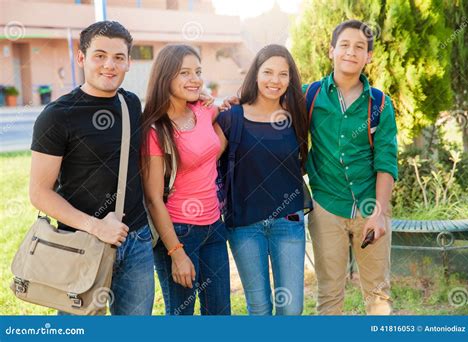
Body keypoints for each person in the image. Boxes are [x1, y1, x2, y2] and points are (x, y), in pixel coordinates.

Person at [29, 21, 154, 315]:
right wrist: (97, 227)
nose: (109, 65)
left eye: (118, 57)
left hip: (136, 242)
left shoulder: (130, 103)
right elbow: (39, 193)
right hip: (81, 244)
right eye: (100, 55)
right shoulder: (57, 117)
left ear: (128, 62)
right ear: (81, 58)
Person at [305, 19, 398, 315]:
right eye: (344, 45)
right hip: (326, 206)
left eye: (360, 47)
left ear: (368, 57)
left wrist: (379, 213)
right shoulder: (310, 95)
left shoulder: (380, 103)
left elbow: (386, 160)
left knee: (378, 293)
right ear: (332, 50)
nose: (351, 52)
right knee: (330, 293)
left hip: (371, 207)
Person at [214, 44, 310, 315]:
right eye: (268, 72)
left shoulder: (296, 116)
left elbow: (302, 160)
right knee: (259, 307)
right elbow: (203, 158)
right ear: (255, 74)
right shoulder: (231, 117)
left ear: (290, 79)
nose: (275, 80)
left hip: (288, 222)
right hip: (244, 224)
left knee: (291, 308)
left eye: (283, 74)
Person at [141, 44, 230, 315]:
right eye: (185, 73)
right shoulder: (155, 130)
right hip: (179, 232)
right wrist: (176, 253)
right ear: (165, 77)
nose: (195, 79)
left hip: (214, 226)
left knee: (220, 314)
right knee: (182, 317)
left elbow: (212, 149)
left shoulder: (203, 112)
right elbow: (154, 198)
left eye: (198, 72)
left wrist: (218, 103)